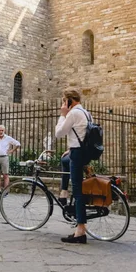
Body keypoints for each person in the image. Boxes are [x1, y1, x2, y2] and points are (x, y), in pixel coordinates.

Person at [55, 88, 89, 244]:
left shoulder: (73, 113)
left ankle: (80, 231)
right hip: (80, 152)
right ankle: (63, 192)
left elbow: (59, 133)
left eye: (64, 101)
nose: (63, 104)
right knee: (64, 160)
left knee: (78, 190)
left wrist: (63, 115)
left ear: (69, 101)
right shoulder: (86, 112)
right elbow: (83, 134)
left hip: (78, 154)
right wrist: (70, 149)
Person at [0, 125, 20, 195]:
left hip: (4, 158)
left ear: (4, 131)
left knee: (5, 175)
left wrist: (12, 151)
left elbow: (18, 144)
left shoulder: (8, 138)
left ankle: (6, 191)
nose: (0, 132)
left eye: (2, 130)